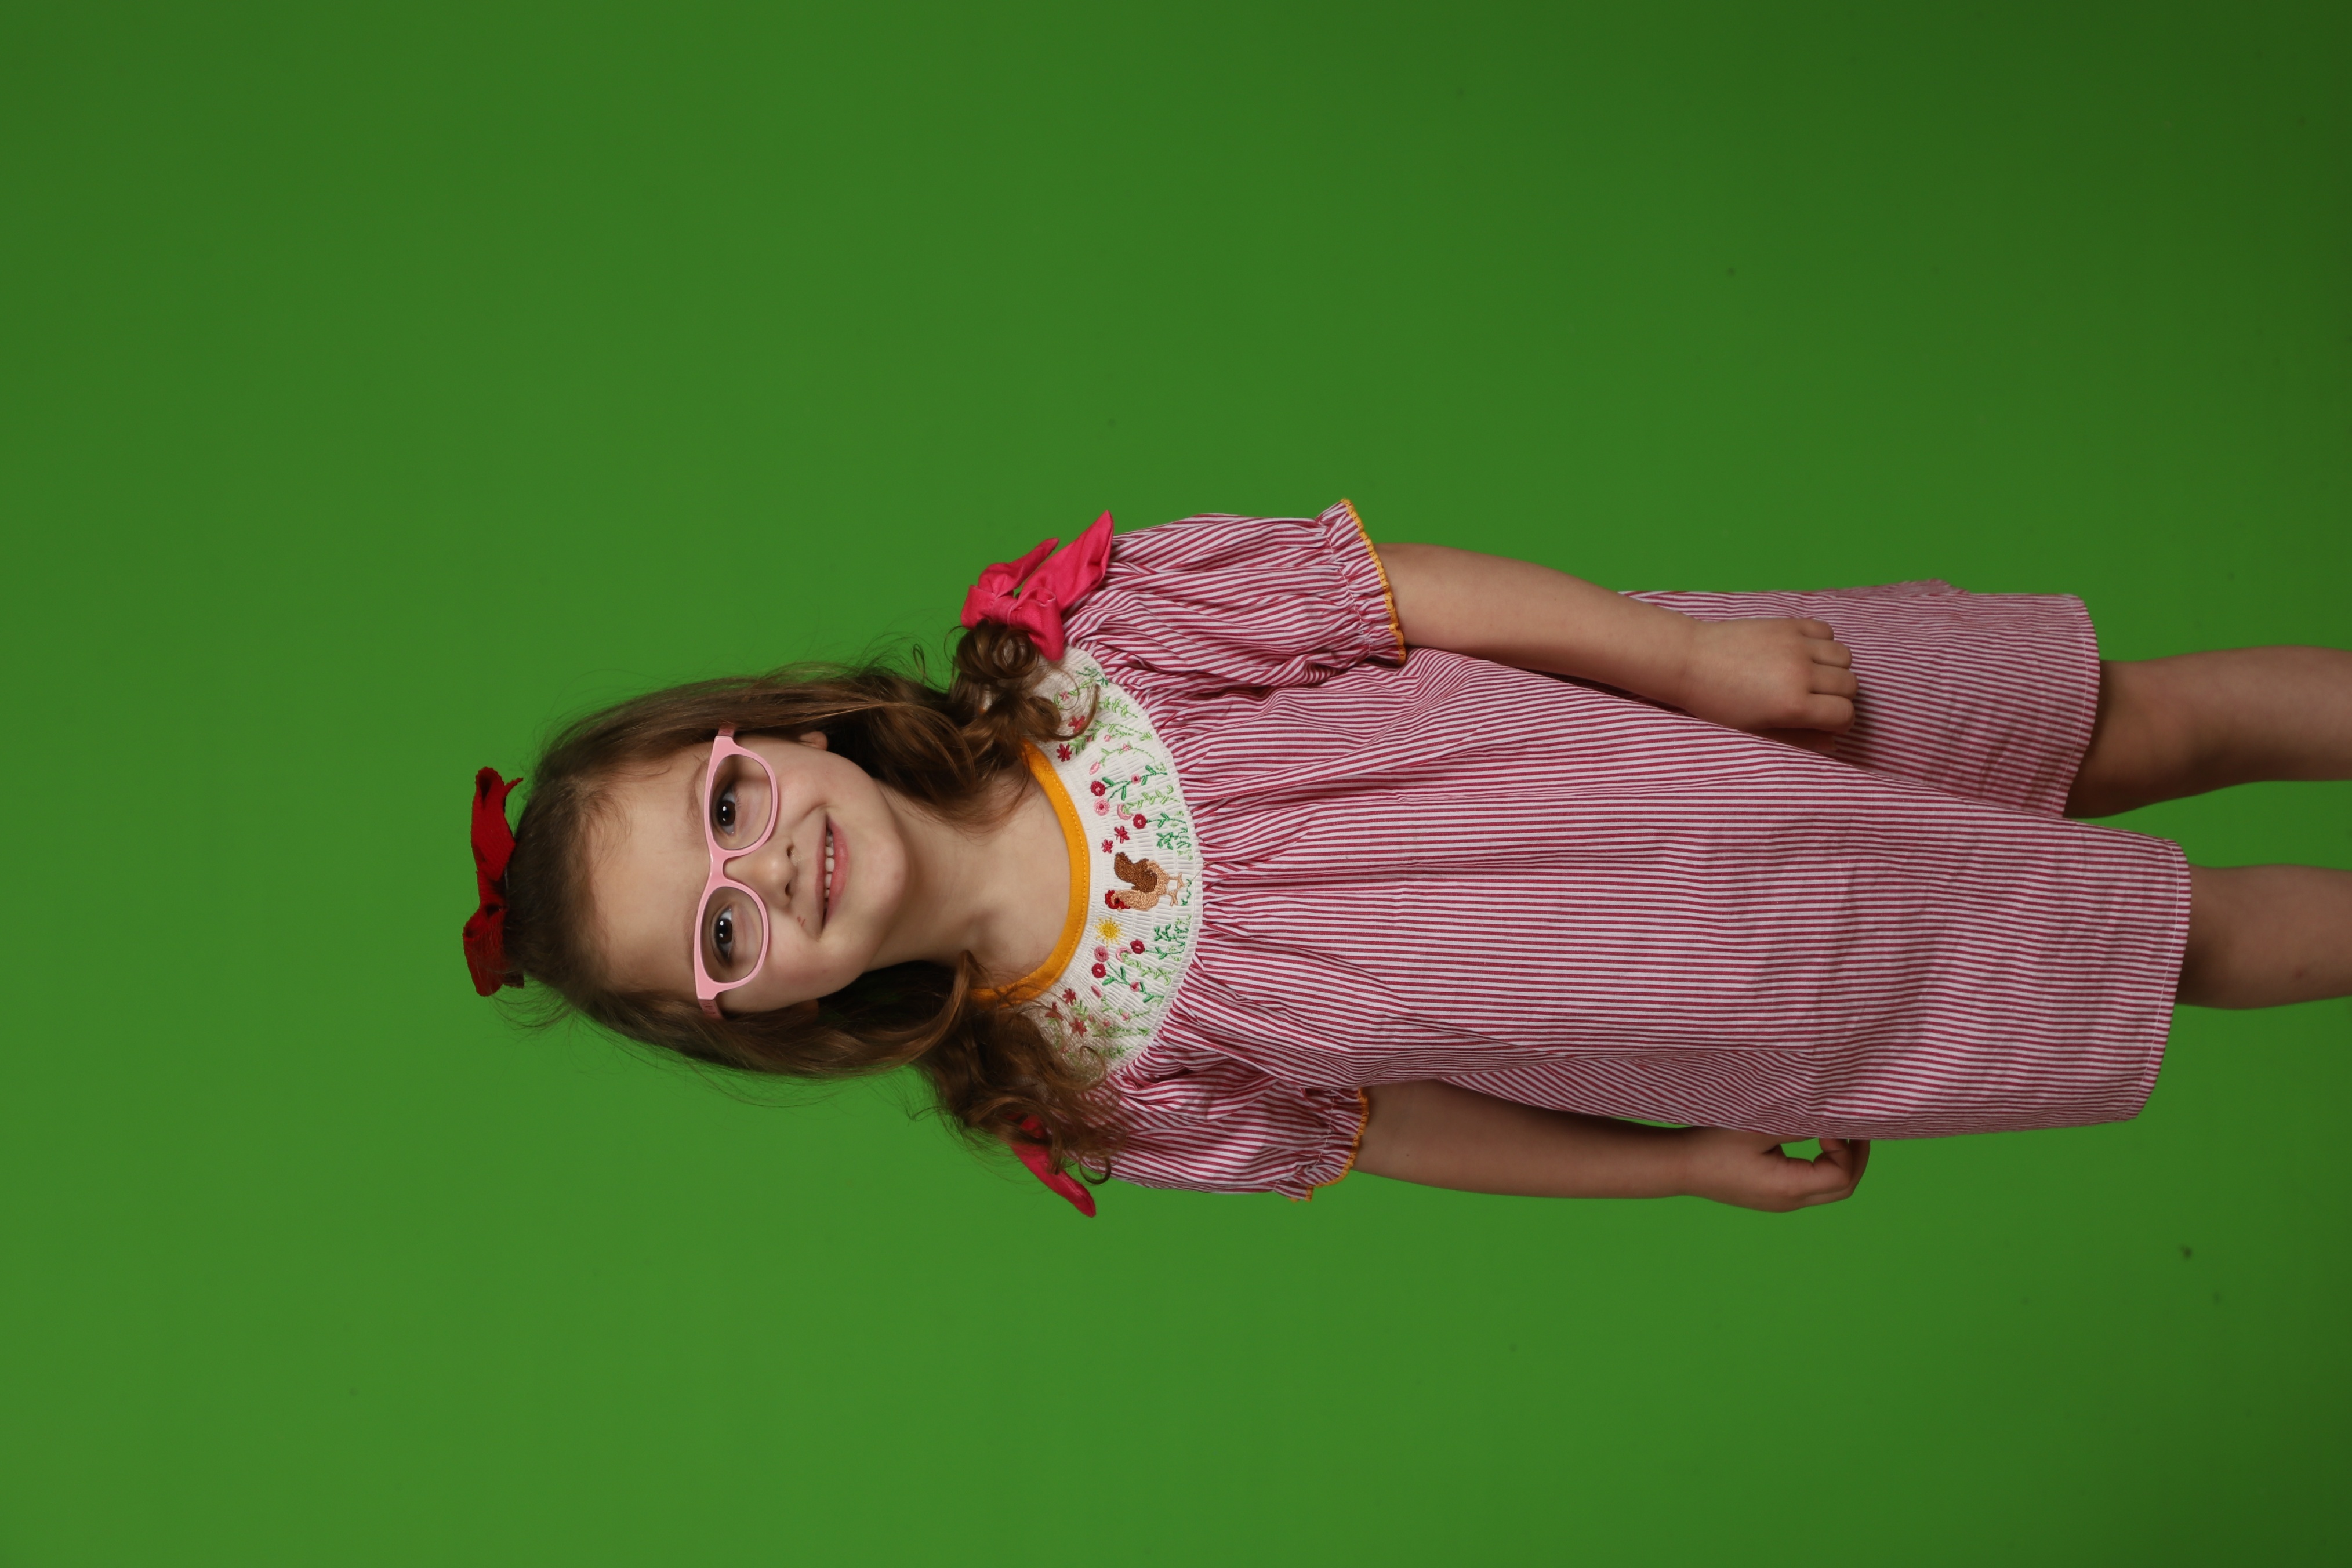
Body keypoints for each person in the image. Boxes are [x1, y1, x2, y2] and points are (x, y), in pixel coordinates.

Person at [461, 504, 2352, 1216]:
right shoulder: (1090, 1081)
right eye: (724, 936)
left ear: (772, 733)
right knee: (2167, 943)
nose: (773, 867)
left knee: (2134, 723)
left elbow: (1388, 597)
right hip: (1736, 975)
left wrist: (1684, 656)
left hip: (1715, 725)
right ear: (768, 1011)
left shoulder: (1085, 656)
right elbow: (1400, 1130)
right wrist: (1675, 1168)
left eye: (727, 807)